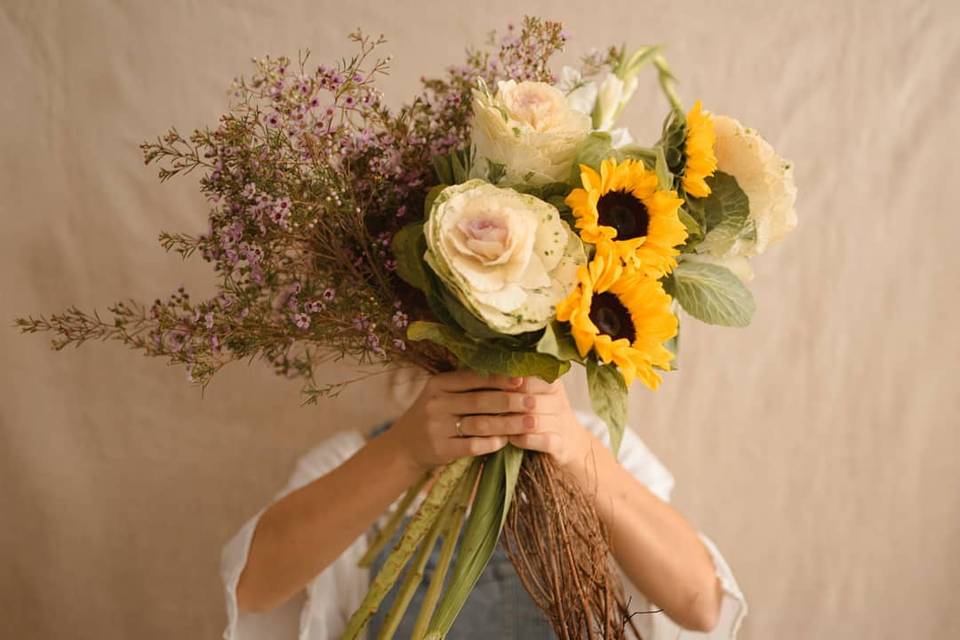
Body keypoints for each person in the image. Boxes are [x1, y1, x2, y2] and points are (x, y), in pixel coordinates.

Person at [220, 371, 747, 639]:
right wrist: (404, 452)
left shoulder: (603, 448)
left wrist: (573, 447)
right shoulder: (355, 460)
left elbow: (702, 605)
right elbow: (253, 588)